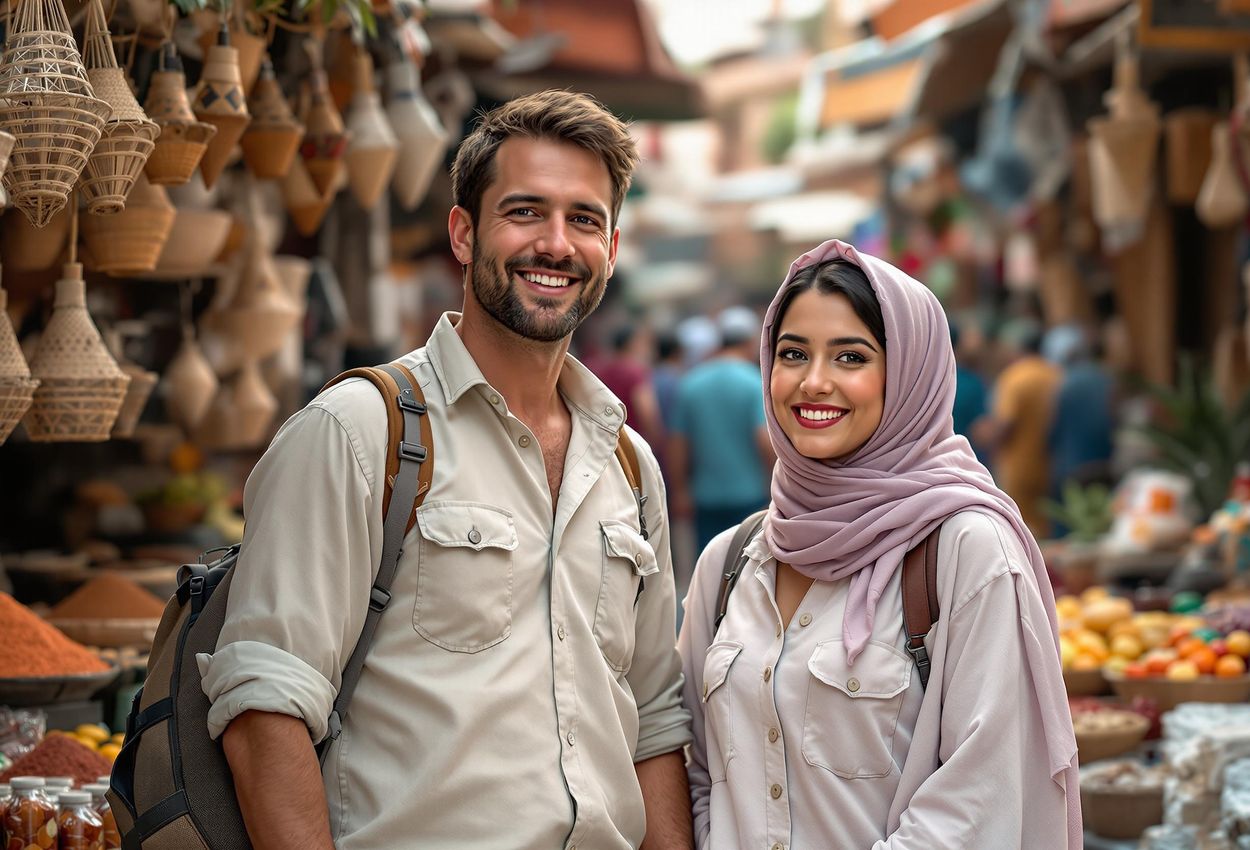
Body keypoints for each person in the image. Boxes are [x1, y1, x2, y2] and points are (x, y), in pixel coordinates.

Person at [204, 90, 693, 850]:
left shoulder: (629, 466)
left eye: (584, 219)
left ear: (612, 248)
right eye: (525, 211)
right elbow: (265, 702)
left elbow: (655, 722)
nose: (556, 244)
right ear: (464, 233)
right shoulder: (362, 429)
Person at [678, 240, 1080, 850]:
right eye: (793, 354)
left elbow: (981, 800)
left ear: (910, 372)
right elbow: (698, 769)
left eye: (851, 357)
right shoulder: (731, 561)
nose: (814, 383)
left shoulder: (967, 552)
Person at [669, 307, 775, 555]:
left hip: (704, 497)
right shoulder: (754, 382)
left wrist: (681, 491)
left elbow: (677, 443)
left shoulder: (691, 382)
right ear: (751, 342)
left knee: (709, 569)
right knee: (745, 571)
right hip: (749, 497)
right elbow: (763, 439)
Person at [975, 319, 1062, 537]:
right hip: (1049, 463)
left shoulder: (1014, 377)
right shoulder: (1055, 374)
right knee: (1047, 527)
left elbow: (1006, 424)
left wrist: (985, 436)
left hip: (1019, 467)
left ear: (1015, 347)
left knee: (1022, 532)